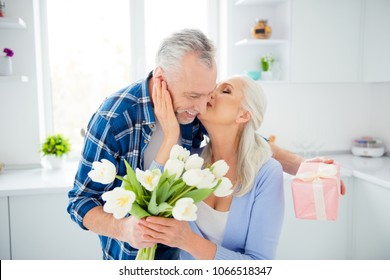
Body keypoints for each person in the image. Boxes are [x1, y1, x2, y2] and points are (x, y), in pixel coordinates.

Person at [67, 28, 342, 260]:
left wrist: (305, 166)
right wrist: (124, 229)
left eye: (210, 93)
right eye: (193, 95)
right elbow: (80, 201)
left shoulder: (194, 112)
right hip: (131, 258)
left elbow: (246, 140)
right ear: (162, 79)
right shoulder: (115, 118)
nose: (202, 106)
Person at [138, 75, 284, 260]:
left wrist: (188, 241)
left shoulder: (267, 174)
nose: (209, 95)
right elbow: (145, 208)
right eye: (212, 88)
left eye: (225, 90)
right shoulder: (190, 161)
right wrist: (170, 136)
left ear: (244, 114)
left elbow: (260, 265)